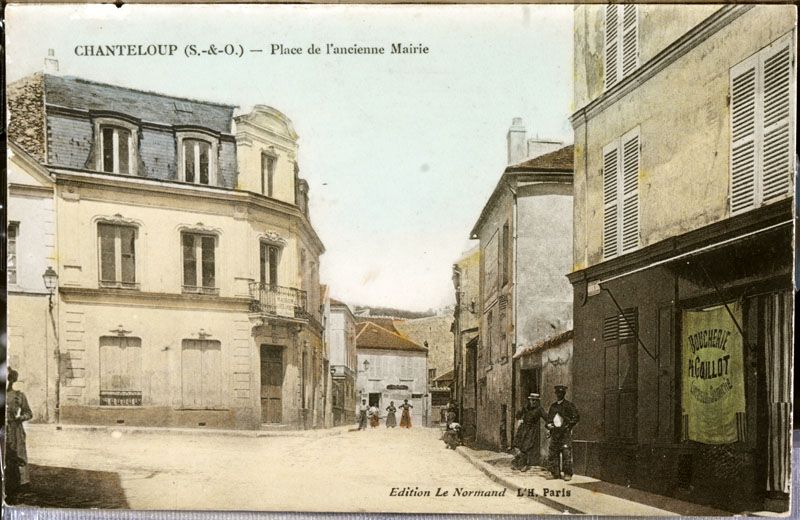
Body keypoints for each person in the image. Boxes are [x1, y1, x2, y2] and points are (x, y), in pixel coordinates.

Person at [6, 368, 33, 496]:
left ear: (11, 380)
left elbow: (29, 413)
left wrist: (20, 417)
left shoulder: (19, 395)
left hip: (15, 430)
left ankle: (22, 483)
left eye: (7, 379)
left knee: (19, 455)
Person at [545, 384, 579, 481]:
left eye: (561, 393)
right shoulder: (553, 406)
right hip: (555, 433)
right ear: (556, 394)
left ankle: (567, 473)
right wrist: (548, 426)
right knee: (553, 452)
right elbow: (549, 419)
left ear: (564, 394)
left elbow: (576, 417)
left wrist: (569, 425)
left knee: (566, 452)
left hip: (564, 433)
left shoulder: (569, 405)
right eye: (558, 393)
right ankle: (555, 473)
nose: (559, 395)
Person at [512, 393, 547, 472]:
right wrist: (520, 418)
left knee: (526, 446)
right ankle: (517, 461)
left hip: (531, 430)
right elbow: (518, 415)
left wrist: (550, 424)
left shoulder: (539, 409)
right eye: (532, 400)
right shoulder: (526, 407)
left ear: (538, 401)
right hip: (523, 428)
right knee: (517, 445)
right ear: (530, 400)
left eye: (535, 400)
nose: (533, 402)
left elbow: (546, 417)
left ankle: (524, 465)